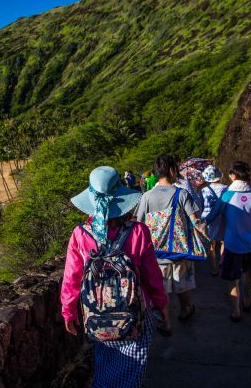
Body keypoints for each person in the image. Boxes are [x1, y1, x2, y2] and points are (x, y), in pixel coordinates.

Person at [61, 166, 168, 387]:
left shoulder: (80, 234)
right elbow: (151, 275)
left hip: (98, 314)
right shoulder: (138, 231)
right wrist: (161, 304)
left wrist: (68, 311)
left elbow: (72, 278)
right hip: (136, 311)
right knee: (132, 369)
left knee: (105, 363)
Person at [136, 155, 202, 329]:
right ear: (173, 170)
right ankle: (185, 310)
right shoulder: (182, 194)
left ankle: (165, 321)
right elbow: (195, 220)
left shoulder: (147, 196)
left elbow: (139, 223)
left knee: (161, 288)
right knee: (183, 285)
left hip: (156, 252)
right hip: (180, 249)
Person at [204, 161, 251, 322]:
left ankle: (236, 311)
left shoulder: (227, 195)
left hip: (232, 245)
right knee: (248, 274)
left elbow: (213, 215)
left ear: (233, 175)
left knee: (232, 279)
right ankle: (247, 302)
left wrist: (202, 224)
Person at [200, 165, 228, 276]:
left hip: (207, 218)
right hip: (222, 217)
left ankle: (214, 269)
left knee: (210, 244)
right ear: (219, 176)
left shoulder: (203, 190)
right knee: (224, 241)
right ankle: (222, 262)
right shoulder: (226, 189)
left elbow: (201, 206)